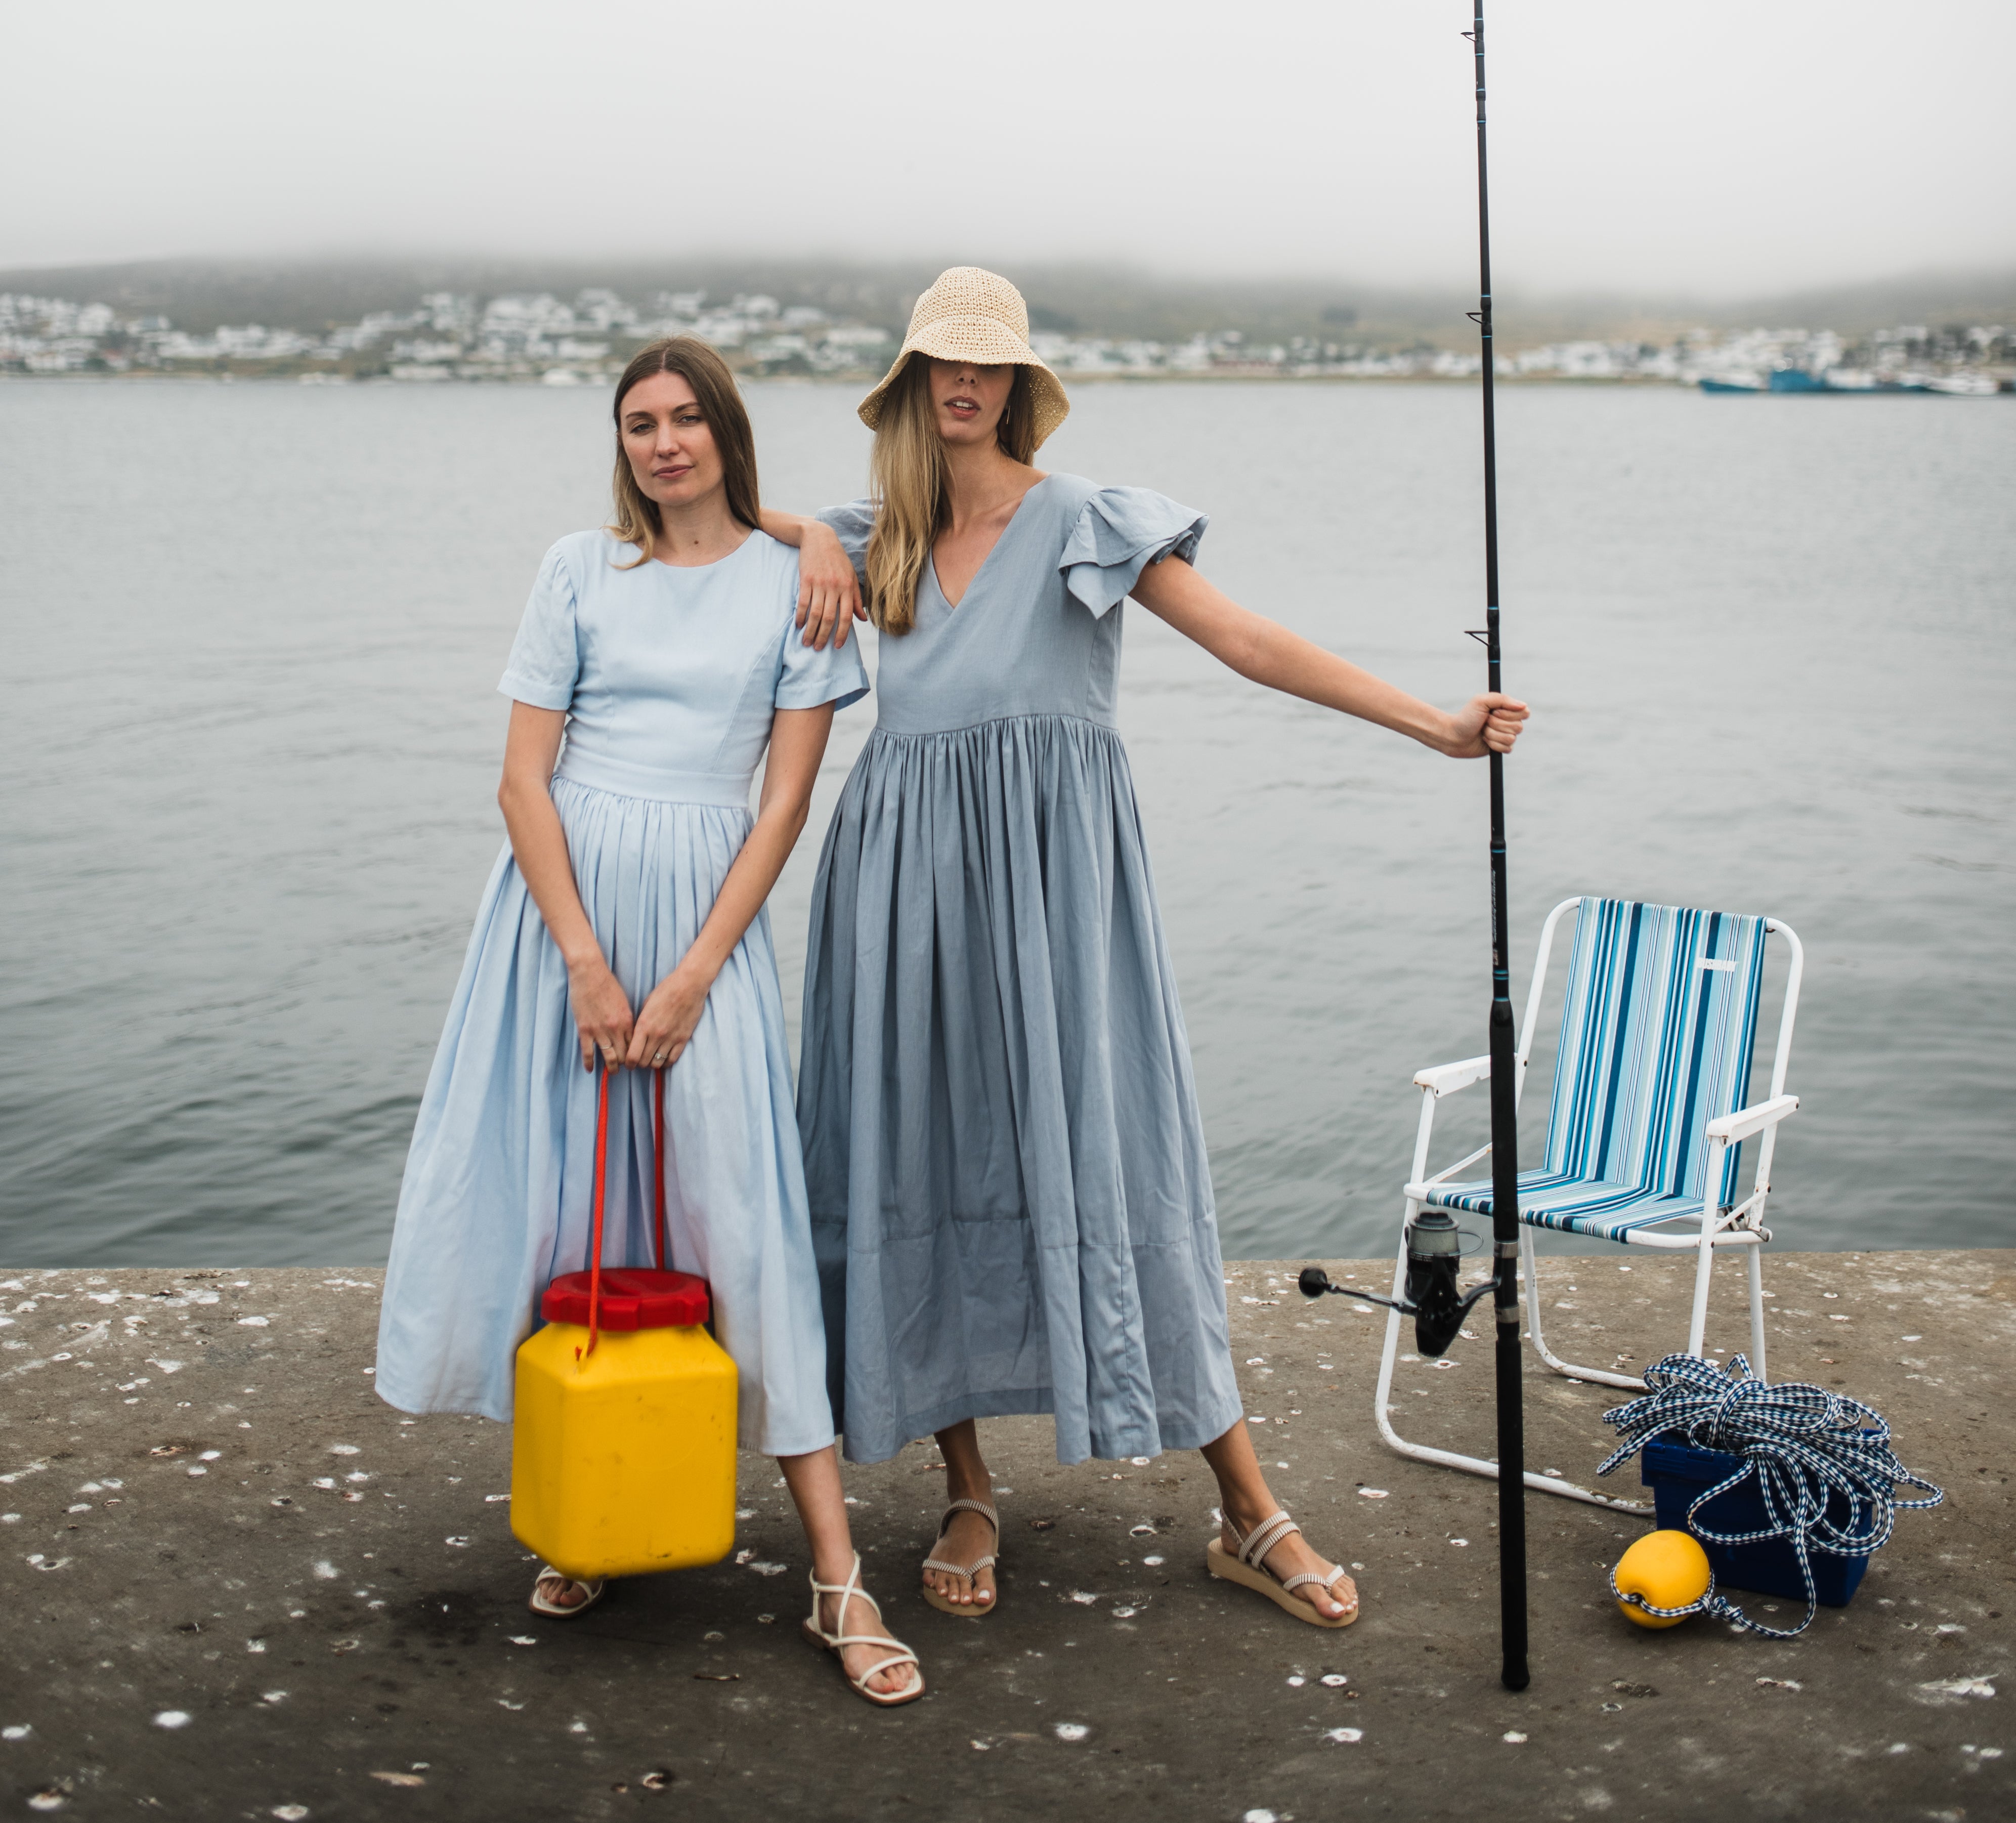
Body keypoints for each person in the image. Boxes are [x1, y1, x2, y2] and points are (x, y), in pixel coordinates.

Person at [771, 267, 1527, 1635]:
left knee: (1118, 1158)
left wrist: (1429, 723)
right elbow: (702, 524)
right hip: (898, 892)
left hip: (1060, 895)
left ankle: (1245, 1502)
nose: (965, 383)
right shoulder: (871, 533)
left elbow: (1242, 638)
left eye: (989, 365)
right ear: (908, 383)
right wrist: (810, 542)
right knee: (917, 1152)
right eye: (943, 362)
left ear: (1016, 388)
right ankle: (964, 1481)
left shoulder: (1081, 518)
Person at [375, 338, 923, 1706]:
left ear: (725, 430)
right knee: (571, 1213)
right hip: (555, 926)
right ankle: (587, 1515)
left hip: (705, 933)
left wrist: (685, 976)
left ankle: (836, 1576)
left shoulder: (798, 587)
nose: (664, 442)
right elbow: (521, 776)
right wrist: (582, 959)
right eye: (640, 422)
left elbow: (783, 804)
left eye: (686, 418)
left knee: (743, 1223)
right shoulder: (578, 567)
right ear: (619, 441)